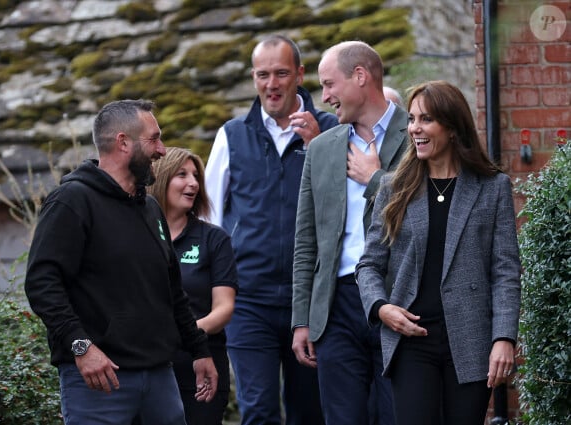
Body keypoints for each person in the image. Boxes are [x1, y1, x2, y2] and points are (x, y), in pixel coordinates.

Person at [24, 99, 218, 425]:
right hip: (100, 381)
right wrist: (81, 346)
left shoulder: (150, 208)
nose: (161, 149)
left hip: (159, 377)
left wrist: (199, 349)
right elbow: (42, 282)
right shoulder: (71, 201)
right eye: (154, 138)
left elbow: (171, 289)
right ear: (123, 143)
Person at [355, 80, 521, 425]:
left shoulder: (492, 188)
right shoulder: (393, 187)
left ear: (451, 126)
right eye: (412, 119)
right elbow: (369, 264)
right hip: (410, 340)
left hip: (471, 338)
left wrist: (503, 337)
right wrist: (381, 307)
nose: (414, 128)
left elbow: (505, 271)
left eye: (425, 119)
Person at [204, 34, 338, 425]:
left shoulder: (330, 128)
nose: (272, 84)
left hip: (313, 302)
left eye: (281, 73)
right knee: (258, 411)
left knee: (309, 414)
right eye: (263, 75)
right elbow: (208, 217)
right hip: (249, 301)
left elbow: (351, 203)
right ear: (253, 77)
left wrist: (318, 145)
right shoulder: (232, 135)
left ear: (299, 74)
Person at [292, 40, 407, 425]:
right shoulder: (322, 149)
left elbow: (432, 214)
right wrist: (302, 318)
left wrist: (377, 179)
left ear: (360, 76)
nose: (323, 98)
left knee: (398, 415)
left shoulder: (418, 135)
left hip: (399, 296)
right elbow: (306, 240)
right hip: (336, 305)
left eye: (328, 85)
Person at [147, 147, 238, 425]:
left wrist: (184, 333)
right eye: (182, 175)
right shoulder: (138, 234)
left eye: (196, 175)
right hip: (147, 366)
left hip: (201, 365)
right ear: (161, 179)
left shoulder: (214, 239)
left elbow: (224, 309)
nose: (194, 183)